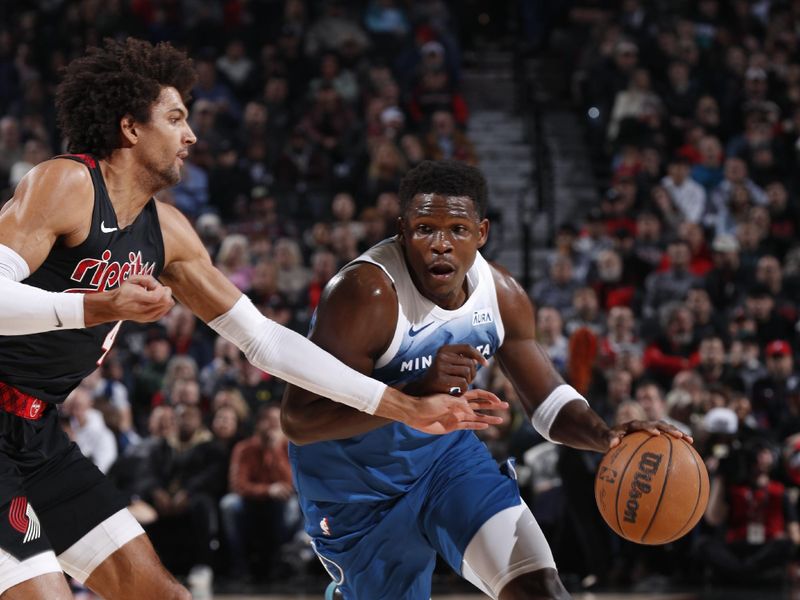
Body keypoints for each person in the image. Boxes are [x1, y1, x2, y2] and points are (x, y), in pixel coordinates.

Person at [0, 39, 503, 600]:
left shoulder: (167, 233)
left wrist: (405, 407)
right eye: (175, 118)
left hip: (37, 435)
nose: (190, 135)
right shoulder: (65, 184)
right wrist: (98, 305)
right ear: (130, 128)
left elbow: (264, 341)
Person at [282, 160, 690, 600]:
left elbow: (548, 402)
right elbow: (301, 422)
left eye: (458, 229)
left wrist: (606, 436)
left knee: (540, 590)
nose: (441, 244)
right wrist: (416, 394)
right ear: (403, 231)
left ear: (482, 233)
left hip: (446, 465)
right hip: (356, 490)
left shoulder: (502, 295)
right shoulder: (366, 294)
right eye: (425, 229)